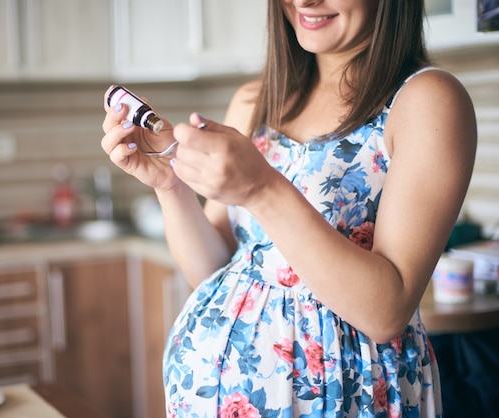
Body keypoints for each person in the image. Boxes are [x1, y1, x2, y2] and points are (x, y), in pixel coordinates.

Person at [101, 0, 477, 416]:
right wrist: (169, 184)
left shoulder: (427, 100)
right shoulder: (255, 101)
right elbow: (212, 269)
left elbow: (387, 310)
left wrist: (263, 189)